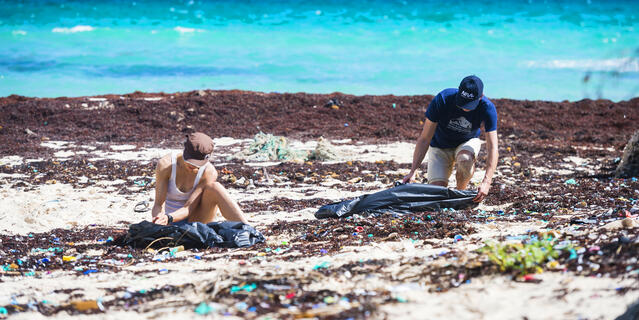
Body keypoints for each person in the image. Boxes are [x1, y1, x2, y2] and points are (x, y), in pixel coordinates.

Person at [402, 75, 498, 203]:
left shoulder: (487, 108)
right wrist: (413, 171)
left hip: (467, 142)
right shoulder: (443, 98)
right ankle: (449, 191)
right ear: (458, 92)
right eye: (462, 102)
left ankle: (460, 193)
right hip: (440, 146)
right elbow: (425, 138)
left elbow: (493, 147)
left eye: (470, 105)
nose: (465, 108)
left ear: (480, 97)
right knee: (437, 193)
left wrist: (487, 182)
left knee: (465, 159)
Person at [151, 132, 248, 225]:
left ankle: (248, 229)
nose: (192, 166)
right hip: (167, 220)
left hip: (194, 218)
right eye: (190, 161)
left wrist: (170, 217)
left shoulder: (208, 172)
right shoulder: (166, 164)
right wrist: (160, 219)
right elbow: (158, 204)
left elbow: (188, 208)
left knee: (215, 187)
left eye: (197, 164)